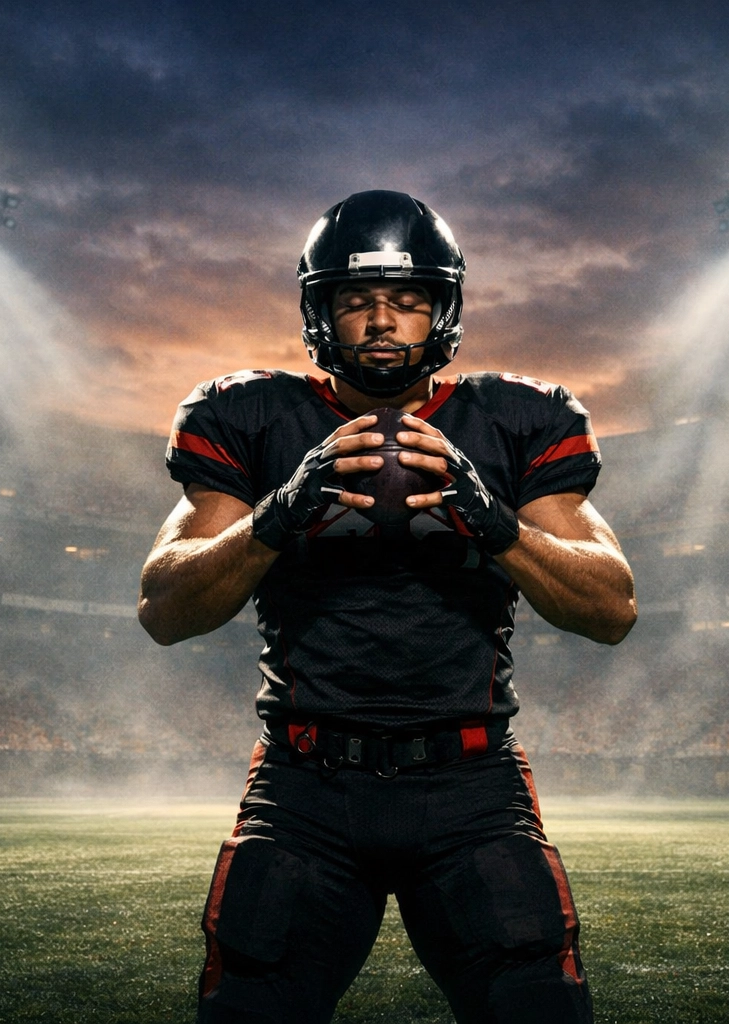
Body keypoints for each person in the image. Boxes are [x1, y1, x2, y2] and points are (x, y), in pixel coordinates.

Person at [139, 190, 636, 1024]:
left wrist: (497, 523)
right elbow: (165, 605)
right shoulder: (256, 415)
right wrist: (278, 512)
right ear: (318, 311)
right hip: (303, 782)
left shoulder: (513, 420)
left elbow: (612, 606)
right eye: (357, 301)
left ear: (442, 312)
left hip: (472, 782)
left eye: (405, 302)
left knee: (537, 1009)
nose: (381, 323)